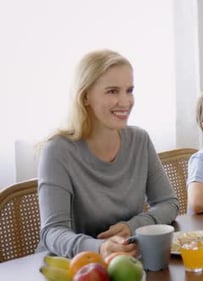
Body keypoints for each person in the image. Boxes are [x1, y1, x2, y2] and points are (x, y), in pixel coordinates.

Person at [37, 49, 180, 258]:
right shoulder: (57, 151)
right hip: (72, 267)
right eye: (112, 91)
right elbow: (52, 232)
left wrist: (133, 227)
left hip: (126, 261)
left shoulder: (140, 140)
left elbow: (169, 203)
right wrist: (99, 247)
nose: (125, 101)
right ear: (85, 96)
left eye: (129, 90)